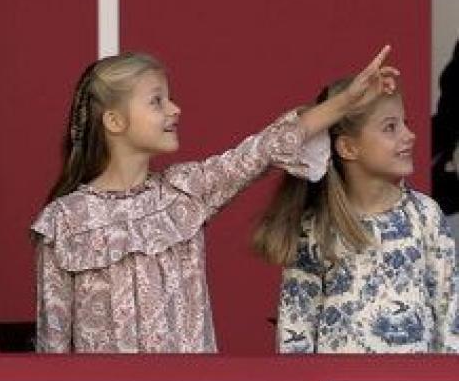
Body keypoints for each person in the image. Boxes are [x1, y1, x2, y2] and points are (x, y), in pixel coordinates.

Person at [31, 47, 397, 353]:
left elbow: (264, 148)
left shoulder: (186, 191)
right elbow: (53, 345)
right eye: (157, 101)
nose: (175, 109)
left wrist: (346, 102)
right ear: (113, 121)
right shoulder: (64, 221)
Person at [253, 77, 459, 353]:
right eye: (390, 127)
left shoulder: (427, 216)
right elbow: (296, 327)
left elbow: (450, 316)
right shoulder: (317, 227)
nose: (409, 135)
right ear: (348, 148)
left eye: (405, 123)